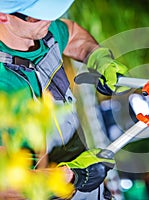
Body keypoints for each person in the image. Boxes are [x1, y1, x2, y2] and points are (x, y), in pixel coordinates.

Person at [0, 0, 128, 199]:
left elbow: (72, 33)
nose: (50, 19)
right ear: (3, 16)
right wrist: (69, 176)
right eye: (37, 15)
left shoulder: (43, 33)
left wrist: (98, 57)